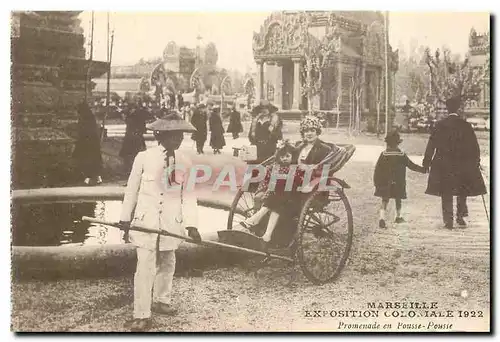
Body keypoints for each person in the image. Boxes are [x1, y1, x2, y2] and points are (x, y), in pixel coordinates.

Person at [119, 112, 202, 332]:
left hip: (171, 223)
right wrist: (125, 219)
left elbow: (190, 196)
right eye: (175, 135)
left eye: (181, 135)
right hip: (146, 222)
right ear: (161, 135)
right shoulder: (143, 158)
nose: (180, 140)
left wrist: (192, 225)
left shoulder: (186, 161)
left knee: (168, 261)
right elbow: (131, 191)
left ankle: (161, 300)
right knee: (144, 266)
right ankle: (141, 314)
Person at [423, 96, 487, 229]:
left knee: (446, 190)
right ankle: (460, 216)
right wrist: (476, 161)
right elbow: (474, 146)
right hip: (462, 163)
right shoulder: (465, 125)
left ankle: (448, 220)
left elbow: (431, 144)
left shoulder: (440, 125)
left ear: (447, 109)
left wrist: (426, 162)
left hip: (443, 163)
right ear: (458, 108)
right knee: (462, 188)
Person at [236, 141, 303, 245]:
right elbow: (268, 180)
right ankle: (267, 234)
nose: (284, 159)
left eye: (287, 156)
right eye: (282, 157)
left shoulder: (296, 168)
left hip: (293, 195)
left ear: (293, 156)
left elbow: (297, 183)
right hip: (278, 196)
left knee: (281, 188)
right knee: (278, 203)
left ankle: (255, 219)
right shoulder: (275, 167)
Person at [374, 131, 426, 229]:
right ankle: (398, 216)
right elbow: (411, 165)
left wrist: (376, 182)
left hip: (386, 182)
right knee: (398, 199)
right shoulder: (401, 155)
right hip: (399, 181)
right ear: (398, 143)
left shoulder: (384, 154)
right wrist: (423, 170)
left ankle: (382, 218)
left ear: (387, 143)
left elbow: (377, 169)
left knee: (385, 200)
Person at [73, 100, 103, 185]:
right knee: (96, 160)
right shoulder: (91, 117)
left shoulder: (83, 118)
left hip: (86, 143)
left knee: (86, 160)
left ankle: (87, 179)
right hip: (94, 143)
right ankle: (98, 178)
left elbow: (82, 131)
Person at [119, 103, 147, 175]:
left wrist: (125, 118)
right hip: (134, 137)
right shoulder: (136, 115)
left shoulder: (135, 116)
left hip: (133, 138)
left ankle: (131, 172)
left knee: (131, 155)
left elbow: (133, 125)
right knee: (132, 155)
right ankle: (132, 171)